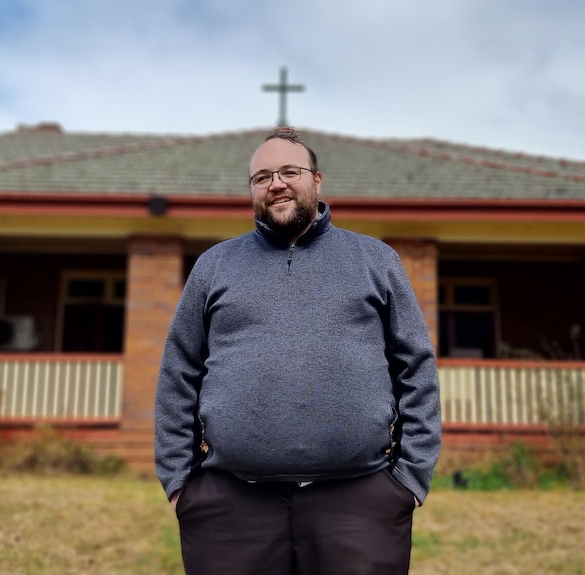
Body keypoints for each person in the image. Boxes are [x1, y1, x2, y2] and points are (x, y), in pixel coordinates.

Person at [155, 127, 442, 575]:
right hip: (230, 507)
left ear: (317, 180)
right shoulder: (214, 265)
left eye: (290, 171)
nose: (276, 184)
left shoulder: (376, 260)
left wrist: (408, 479)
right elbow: (179, 370)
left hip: (361, 501)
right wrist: (181, 482)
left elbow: (416, 367)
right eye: (262, 176)